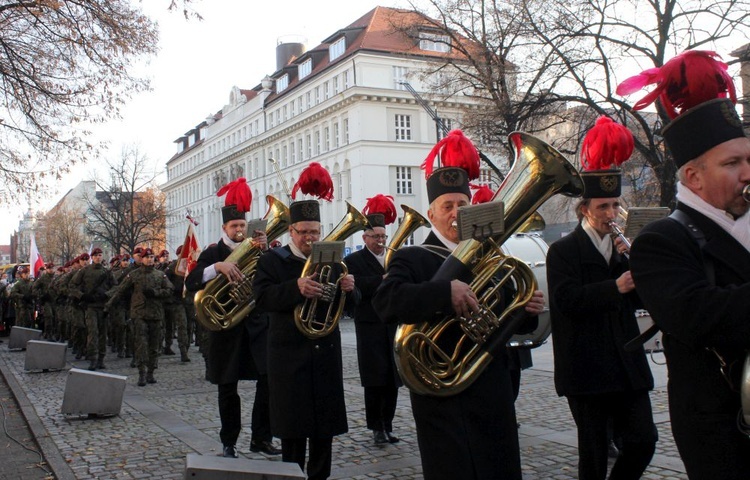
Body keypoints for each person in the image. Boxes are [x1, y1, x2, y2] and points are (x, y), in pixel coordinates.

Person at [371, 130, 544, 480]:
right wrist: (442, 293)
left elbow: (507, 324)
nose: (454, 214)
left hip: (493, 392)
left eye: (461, 206)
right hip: (442, 399)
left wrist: (524, 312)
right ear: (432, 214)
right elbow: (385, 303)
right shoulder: (412, 257)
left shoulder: (490, 259)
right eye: (446, 207)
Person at [621, 50, 750, 477]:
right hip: (726, 433)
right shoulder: (663, 239)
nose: (748, 172)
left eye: (749, 159)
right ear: (693, 177)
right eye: (733, 164)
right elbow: (698, 316)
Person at [546, 116, 657, 480]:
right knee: (593, 454)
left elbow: (641, 299)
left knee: (643, 440)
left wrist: (643, 270)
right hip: (586, 366)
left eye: (614, 207)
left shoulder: (625, 248)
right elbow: (565, 300)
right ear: (584, 211)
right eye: (603, 208)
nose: (611, 216)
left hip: (626, 363)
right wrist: (615, 287)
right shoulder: (563, 251)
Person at [253, 163, 357, 480]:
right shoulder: (273, 259)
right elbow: (262, 298)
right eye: (304, 232)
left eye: (315, 232)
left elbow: (351, 307)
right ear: (291, 232)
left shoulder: (334, 260)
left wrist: (352, 290)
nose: (310, 238)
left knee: (323, 429)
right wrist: (294, 288)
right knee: (293, 430)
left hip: (324, 352)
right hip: (289, 354)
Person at [185, 177, 279, 459]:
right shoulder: (213, 252)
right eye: (234, 226)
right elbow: (191, 281)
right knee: (228, 388)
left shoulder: (260, 249)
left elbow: (275, 277)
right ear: (225, 228)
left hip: (257, 328)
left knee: (267, 383)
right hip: (226, 332)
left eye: (242, 225)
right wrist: (217, 267)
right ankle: (229, 441)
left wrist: (265, 252)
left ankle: (261, 438)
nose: (239, 230)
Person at [344, 195, 402, 445]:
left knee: (393, 377)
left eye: (383, 237)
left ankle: (387, 424)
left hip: (391, 323)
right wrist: (382, 280)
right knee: (374, 378)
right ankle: (376, 427)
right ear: (364, 238)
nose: (380, 241)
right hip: (368, 325)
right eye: (376, 237)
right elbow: (357, 287)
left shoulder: (394, 257)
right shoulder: (353, 261)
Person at [107, 248, 173, 386]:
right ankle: (141, 373)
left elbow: (169, 290)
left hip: (155, 314)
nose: (149, 259)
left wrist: (155, 292)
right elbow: (120, 290)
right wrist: (109, 305)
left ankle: (151, 372)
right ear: (141, 259)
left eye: (151, 257)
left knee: (154, 346)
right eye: (146, 257)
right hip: (139, 314)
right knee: (141, 345)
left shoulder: (160, 275)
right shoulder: (134, 275)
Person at [71, 248, 115, 371]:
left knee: (103, 333)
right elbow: (72, 286)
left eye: (100, 255)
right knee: (93, 333)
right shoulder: (84, 271)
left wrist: (107, 294)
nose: (98, 257)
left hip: (103, 306)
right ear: (92, 257)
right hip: (90, 307)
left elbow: (116, 287)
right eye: (95, 255)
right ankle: (93, 358)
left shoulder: (107, 272)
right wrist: (82, 296)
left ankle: (101, 358)